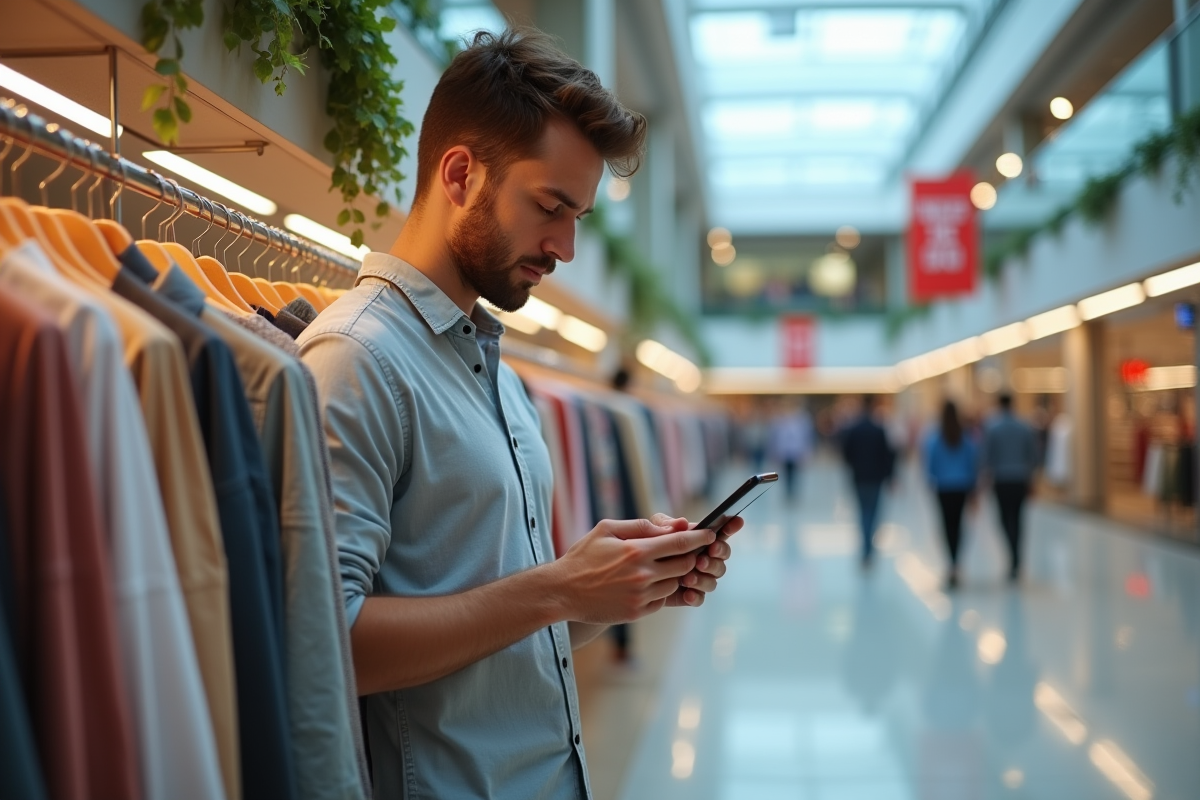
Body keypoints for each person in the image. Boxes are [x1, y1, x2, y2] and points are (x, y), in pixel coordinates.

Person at [298, 29, 741, 799]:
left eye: (579, 217)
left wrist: (614, 589)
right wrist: (559, 588)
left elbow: (499, 633)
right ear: (461, 174)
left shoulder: (496, 372)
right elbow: (320, 644)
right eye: (550, 206)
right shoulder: (356, 359)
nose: (566, 246)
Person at [982, 393, 1039, 582]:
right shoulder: (1024, 427)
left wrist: (985, 479)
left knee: (1004, 519)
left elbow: (987, 456)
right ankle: (1016, 558)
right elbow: (1032, 455)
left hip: (1001, 480)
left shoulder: (993, 427)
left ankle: (1012, 556)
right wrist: (1032, 479)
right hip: (1020, 479)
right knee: (1018, 518)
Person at [924, 400, 979, 589]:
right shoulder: (966, 437)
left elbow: (930, 462)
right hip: (961, 486)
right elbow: (973, 462)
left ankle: (951, 562)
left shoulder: (935, 437)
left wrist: (931, 481)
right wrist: (973, 488)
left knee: (947, 525)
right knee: (958, 524)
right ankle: (956, 562)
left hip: (943, 487)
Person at [839, 395, 895, 566]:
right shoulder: (879, 429)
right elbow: (887, 455)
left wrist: (854, 466)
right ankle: (868, 547)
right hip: (876, 477)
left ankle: (866, 548)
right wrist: (890, 475)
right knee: (873, 511)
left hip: (859, 476)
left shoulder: (854, 429)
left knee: (863, 511)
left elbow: (846, 453)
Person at [770, 400, 814, 502]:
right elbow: (774, 438)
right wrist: (774, 452)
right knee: (786, 474)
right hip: (784, 452)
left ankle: (794, 493)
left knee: (796, 474)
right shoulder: (779, 420)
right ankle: (788, 493)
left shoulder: (803, 420)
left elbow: (807, 437)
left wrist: (807, 452)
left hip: (796, 452)